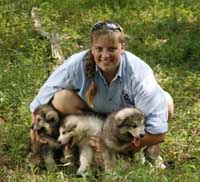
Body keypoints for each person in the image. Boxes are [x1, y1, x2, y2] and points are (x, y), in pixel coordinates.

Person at [30, 20, 174, 155]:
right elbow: (40, 101)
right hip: (93, 119)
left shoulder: (139, 73)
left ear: (122, 47)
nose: (105, 56)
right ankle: (83, 141)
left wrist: (117, 147)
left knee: (166, 102)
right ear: (92, 49)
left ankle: (140, 149)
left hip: (126, 125)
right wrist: (35, 128)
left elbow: (159, 134)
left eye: (112, 49)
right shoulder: (76, 64)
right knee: (62, 98)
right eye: (99, 49)